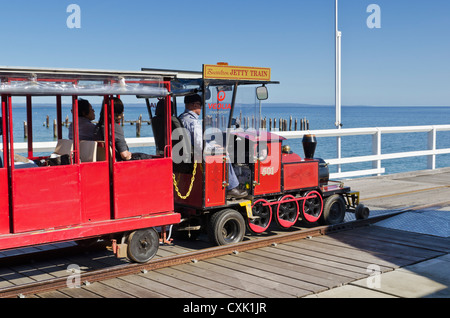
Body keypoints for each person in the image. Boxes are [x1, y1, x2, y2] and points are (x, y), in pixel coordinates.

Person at [178, 94, 248, 199]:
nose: (201, 108)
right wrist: (216, 149)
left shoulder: (181, 118)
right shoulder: (193, 122)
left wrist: (211, 144)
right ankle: (231, 188)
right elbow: (199, 144)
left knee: (217, 146)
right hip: (197, 155)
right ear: (193, 105)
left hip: (186, 154)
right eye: (200, 105)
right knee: (225, 155)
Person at [94, 97, 151, 161]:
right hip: (118, 163)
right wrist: (129, 154)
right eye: (121, 112)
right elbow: (125, 155)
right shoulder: (114, 128)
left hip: (103, 162)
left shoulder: (97, 128)